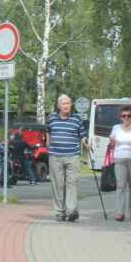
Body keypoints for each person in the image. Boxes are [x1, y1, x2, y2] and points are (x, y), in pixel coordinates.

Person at [46, 94, 91, 222]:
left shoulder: (76, 118)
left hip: (72, 155)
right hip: (55, 156)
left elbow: (82, 134)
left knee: (72, 182)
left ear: (71, 105)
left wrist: (86, 144)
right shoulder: (51, 117)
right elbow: (48, 131)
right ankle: (60, 212)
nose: (66, 106)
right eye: (64, 104)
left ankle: (71, 210)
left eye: (68, 103)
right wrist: (48, 145)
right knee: (58, 184)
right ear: (59, 106)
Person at [108, 105, 131, 220]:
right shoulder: (116, 128)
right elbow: (112, 145)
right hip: (119, 159)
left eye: (129, 115)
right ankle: (120, 212)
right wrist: (111, 140)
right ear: (120, 117)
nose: (126, 118)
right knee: (121, 185)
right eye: (124, 116)